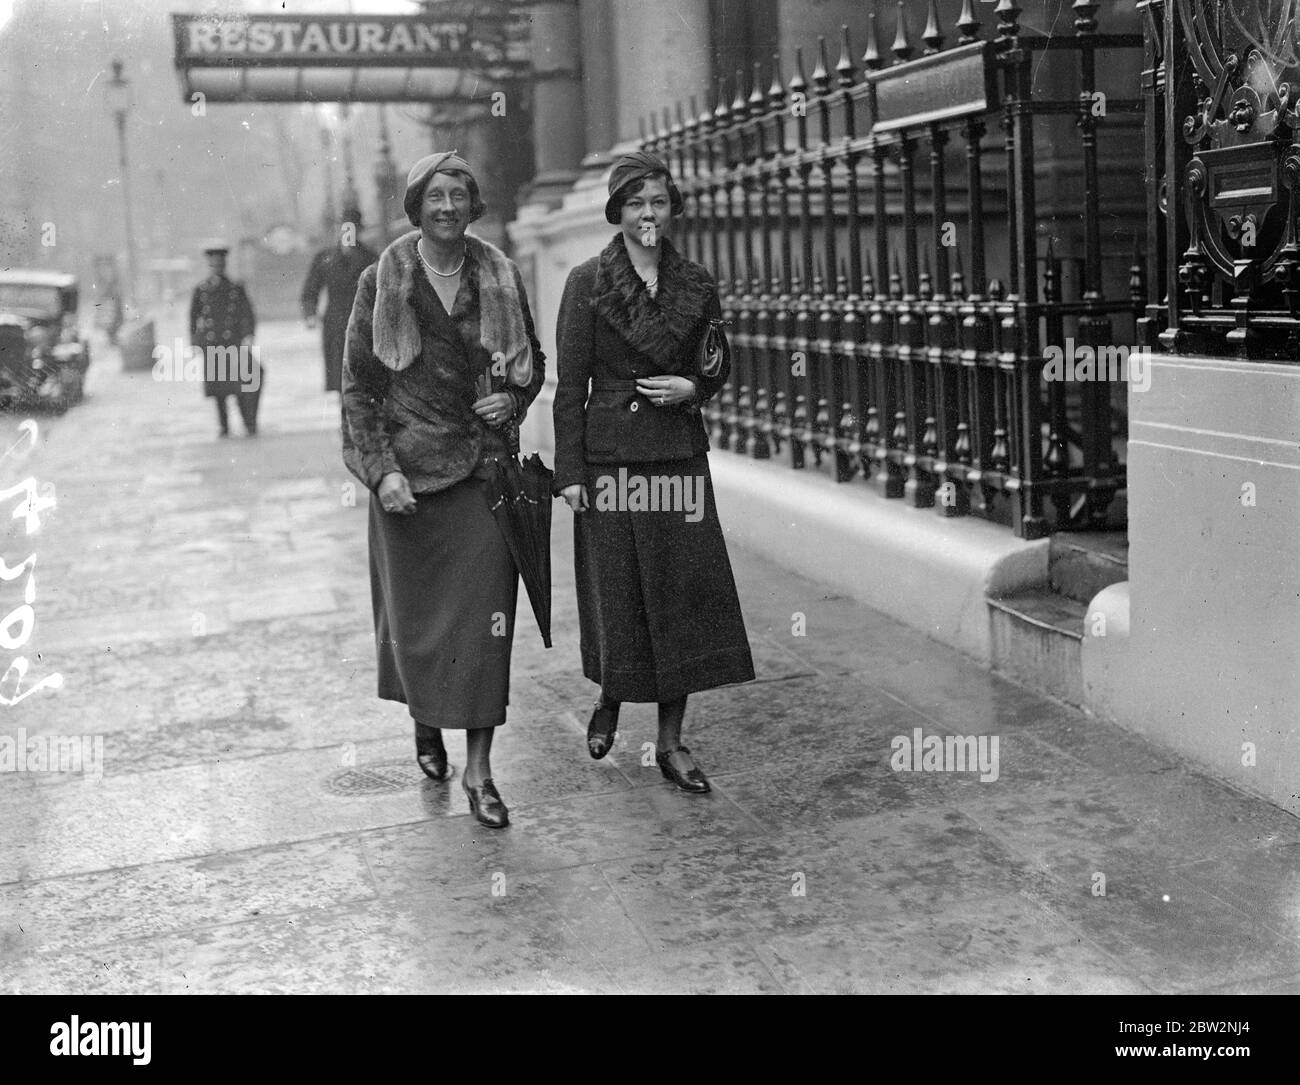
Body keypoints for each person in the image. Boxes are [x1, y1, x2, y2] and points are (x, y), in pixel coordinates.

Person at [341, 151, 545, 829]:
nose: (449, 207)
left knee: (487, 627)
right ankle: (427, 719)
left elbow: (531, 361)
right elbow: (359, 388)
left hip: (485, 475)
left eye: (460, 195)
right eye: (436, 197)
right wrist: (381, 470)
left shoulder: (499, 271)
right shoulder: (383, 278)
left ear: (473, 204)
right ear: (416, 206)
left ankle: (480, 771)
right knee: (421, 627)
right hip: (411, 477)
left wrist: (512, 399)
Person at [553, 150, 755, 794]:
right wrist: (571, 473)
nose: (648, 214)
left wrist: (692, 387)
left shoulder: (696, 282)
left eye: (659, 203)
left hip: (675, 454)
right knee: (619, 589)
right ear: (617, 213)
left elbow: (718, 361)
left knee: (681, 596)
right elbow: (569, 387)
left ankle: (671, 741)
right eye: (636, 204)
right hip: (611, 457)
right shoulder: (586, 282)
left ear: (671, 211)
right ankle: (613, 693)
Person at [300, 205, 378, 396]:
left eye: (353, 228)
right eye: (345, 228)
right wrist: (310, 314)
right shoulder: (325, 258)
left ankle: (362, 421)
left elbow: (382, 290)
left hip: (364, 324)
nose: (348, 233)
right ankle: (346, 420)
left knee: (364, 376)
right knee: (340, 376)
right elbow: (310, 290)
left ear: (360, 230)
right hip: (335, 325)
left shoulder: (371, 258)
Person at [189, 240, 260, 437]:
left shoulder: (235, 288)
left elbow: (247, 313)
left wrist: (248, 334)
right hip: (212, 345)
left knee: (240, 387)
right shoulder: (201, 290)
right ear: (209, 265)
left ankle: (248, 423)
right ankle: (224, 426)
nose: (217, 267)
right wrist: (195, 342)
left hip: (233, 344)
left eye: (220, 263)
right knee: (219, 391)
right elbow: (193, 318)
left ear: (225, 264)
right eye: (213, 263)